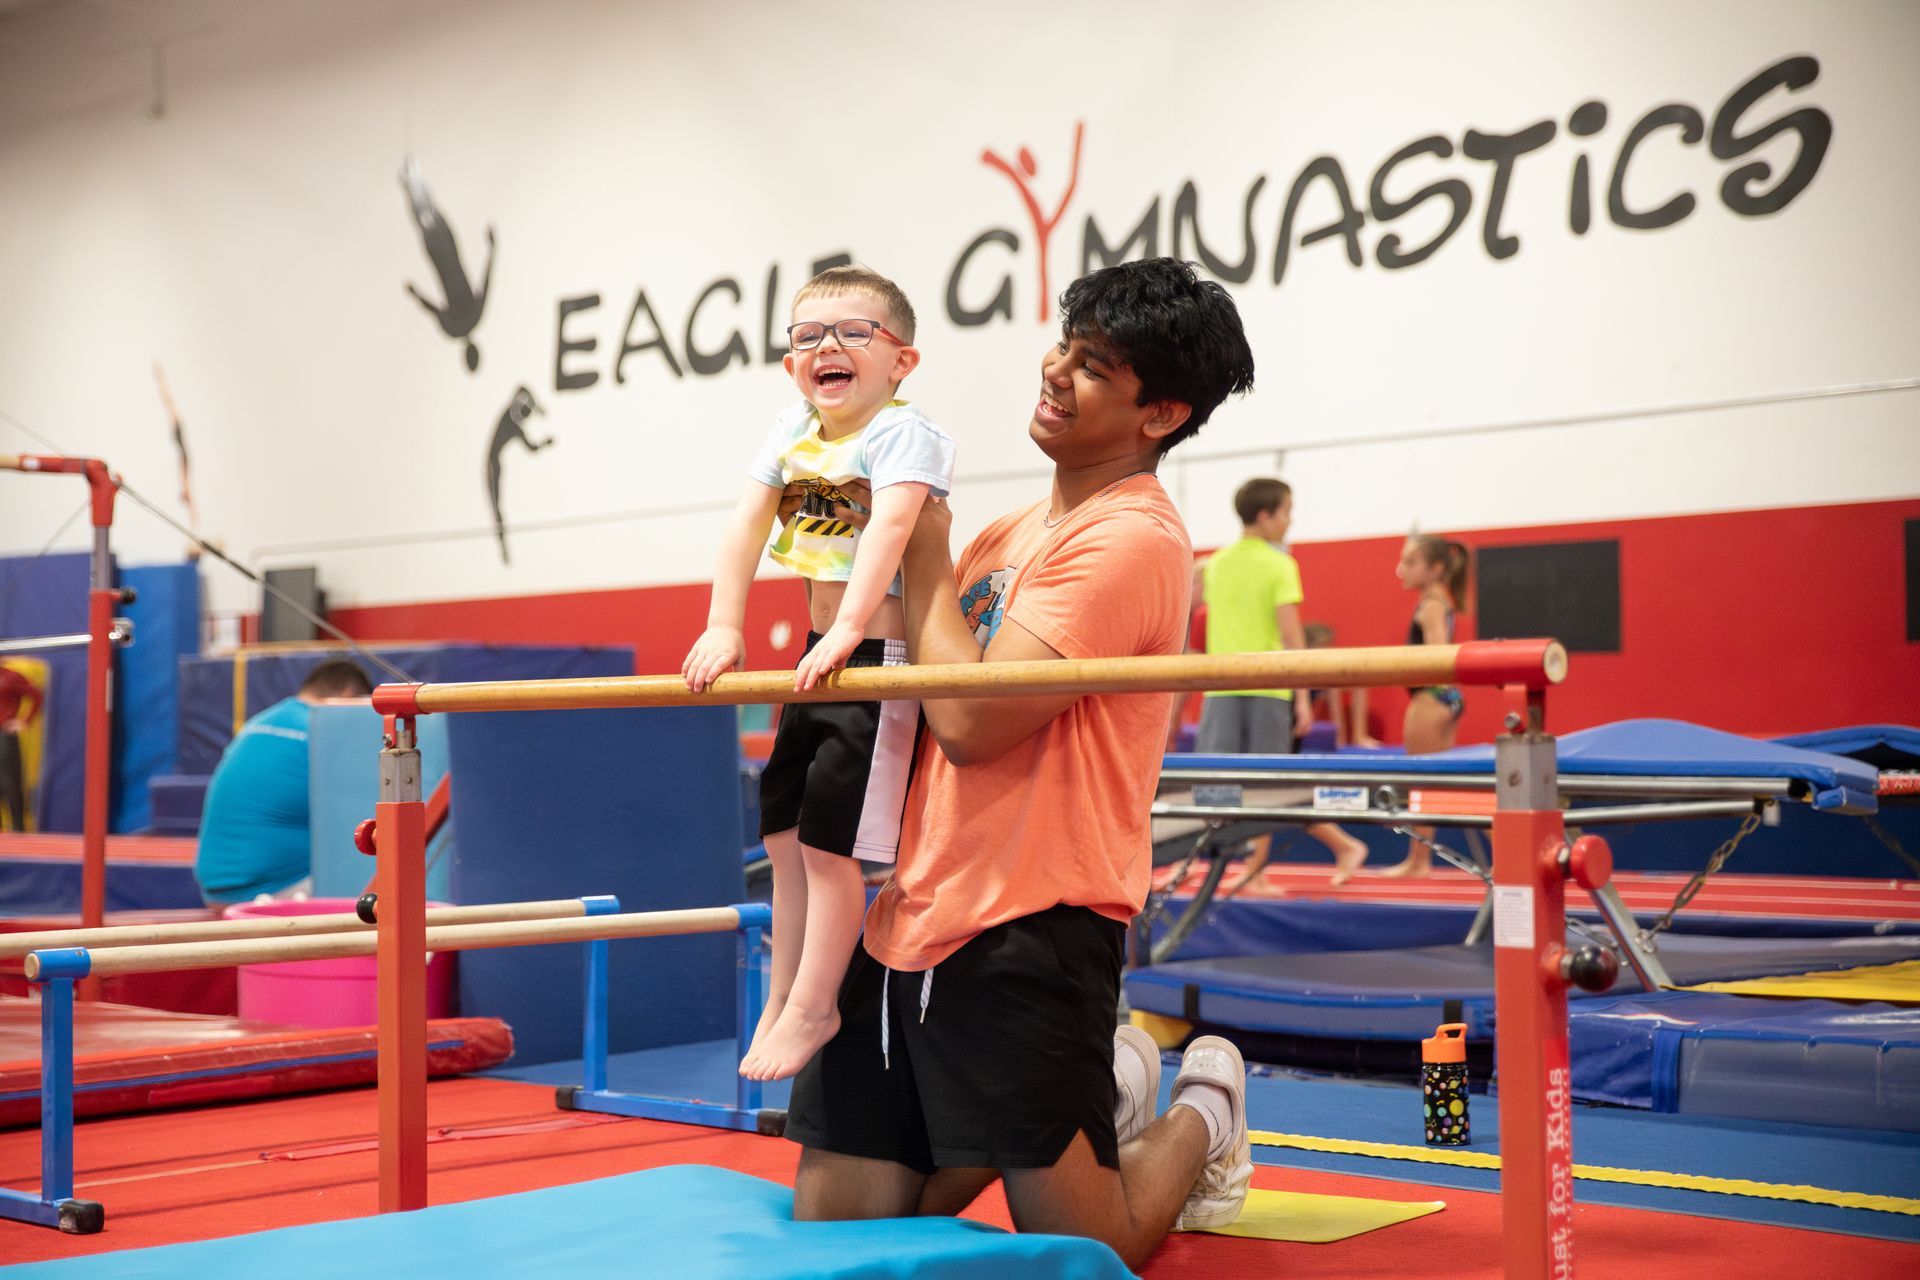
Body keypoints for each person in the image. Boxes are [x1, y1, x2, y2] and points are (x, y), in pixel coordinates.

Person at [786, 258, 1258, 1271]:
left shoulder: (1132, 537)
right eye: (1066, 344)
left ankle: (1203, 1105)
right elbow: (868, 640)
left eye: (1094, 367)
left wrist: (921, 538)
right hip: (915, 906)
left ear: (1160, 412)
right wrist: (843, 505)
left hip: (1034, 919)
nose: (1054, 370)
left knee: (1099, 1244)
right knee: (837, 1235)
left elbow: (967, 718)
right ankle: (1111, 1088)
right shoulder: (1006, 534)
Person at [683, 265, 956, 1083]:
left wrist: (844, 627)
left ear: (900, 361)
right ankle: (783, 991)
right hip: (818, 656)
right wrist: (725, 624)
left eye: (850, 333)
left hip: (877, 660)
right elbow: (744, 526)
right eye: (807, 336)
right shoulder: (792, 429)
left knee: (834, 847)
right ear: (790, 360)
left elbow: (891, 529)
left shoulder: (905, 434)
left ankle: (815, 1004)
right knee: (783, 834)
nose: (826, 348)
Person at [1196, 478, 1369, 888]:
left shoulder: (1215, 563)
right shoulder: (1279, 564)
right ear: (1265, 515)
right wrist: (1303, 698)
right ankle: (1335, 847)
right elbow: (1294, 638)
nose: (1290, 521)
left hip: (1223, 687)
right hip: (1269, 688)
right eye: (1287, 512)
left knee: (1230, 783)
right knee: (1259, 786)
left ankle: (1255, 871)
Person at [193, 658, 373, 906]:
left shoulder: (258, 722)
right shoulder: (326, 732)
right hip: (273, 891)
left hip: (214, 888)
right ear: (347, 695)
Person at [1377, 534, 1472, 879]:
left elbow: (1438, 656)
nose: (1401, 569)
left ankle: (1418, 862)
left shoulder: (1432, 604)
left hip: (1432, 697)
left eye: (1411, 562)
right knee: (1437, 782)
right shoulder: (1439, 600)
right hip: (1443, 697)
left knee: (1423, 782)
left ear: (1436, 568)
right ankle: (1420, 860)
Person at [0, 662, 45, 832]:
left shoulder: (9, 677)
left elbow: (36, 695)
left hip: (4, 735)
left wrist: (24, 721)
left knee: (10, 782)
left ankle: (18, 829)